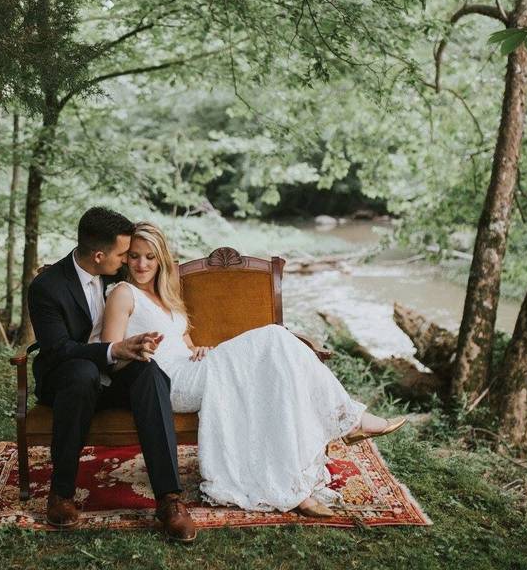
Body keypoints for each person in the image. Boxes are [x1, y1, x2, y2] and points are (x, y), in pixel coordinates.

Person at [96, 222, 406, 517]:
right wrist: (136, 350)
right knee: (273, 336)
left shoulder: (166, 294)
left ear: (160, 258)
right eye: (134, 256)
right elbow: (109, 352)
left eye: (150, 257)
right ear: (125, 259)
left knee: (277, 366)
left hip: (193, 367)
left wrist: (198, 350)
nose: (141, 264)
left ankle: (298, 482)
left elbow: (185, 344)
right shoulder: (124, 293)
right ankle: (351, 419)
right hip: (166, 382)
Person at [27, 207, 197, 542]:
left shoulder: (115, 277)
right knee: (82, 373)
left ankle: (169, 499)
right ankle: (60, 494)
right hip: (67, 377)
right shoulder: (47, 287)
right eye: (123, 254)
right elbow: (59, 349)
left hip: (112, 373)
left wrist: (136, 348)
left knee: (149, 374)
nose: (128, 262)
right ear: (100, 255)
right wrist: (112, 350)